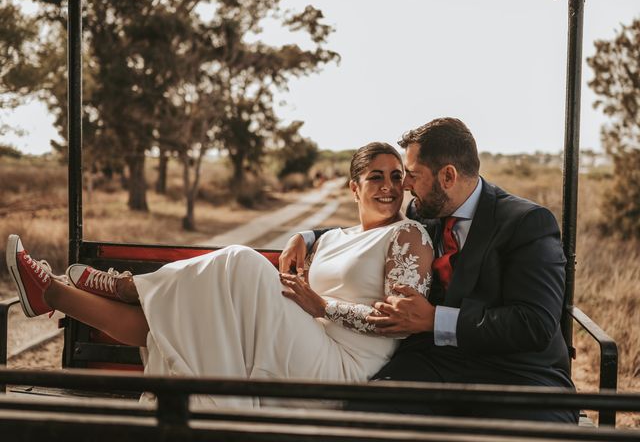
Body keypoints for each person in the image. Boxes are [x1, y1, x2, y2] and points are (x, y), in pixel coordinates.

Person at [6, 142, 434, 408]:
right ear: (353, 188)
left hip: (344, 366)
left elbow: (394, 322)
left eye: (397, 177)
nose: (389, 186)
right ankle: (54, 294)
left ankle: (127, 285)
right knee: (177, 323)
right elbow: (325, 255)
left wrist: (321, 305)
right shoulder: (331, 237)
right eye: (375, 177)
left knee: (242, 263)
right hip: (306, 339)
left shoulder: (409, 234)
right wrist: (307, 239)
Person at [279, 117, 577, 423]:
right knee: (366, 414)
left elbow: (535, 323)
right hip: (435, 363)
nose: (405, 186)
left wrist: (436, 320)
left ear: (447, 176)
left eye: (412, 175)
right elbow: (370, 229)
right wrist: (309, 236)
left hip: (518, 372)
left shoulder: (526, 222)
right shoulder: (424, 212)